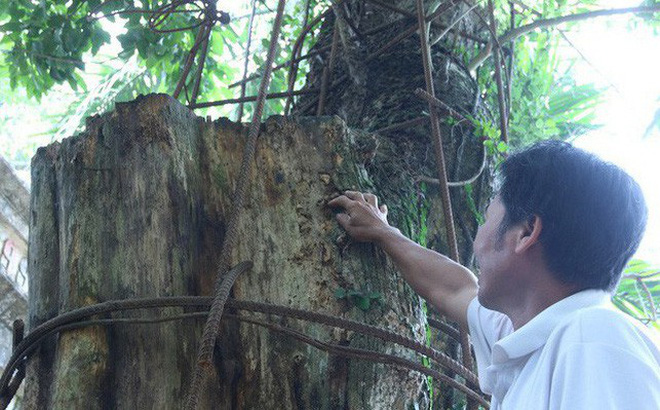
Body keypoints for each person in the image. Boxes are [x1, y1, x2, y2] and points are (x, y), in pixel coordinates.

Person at [328, 140, 660, 409]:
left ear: (526, 231)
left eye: (487, 218)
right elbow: (455, 289)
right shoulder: (534, 334)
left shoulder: (594, 339)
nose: (479, 240)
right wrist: (385, 234)